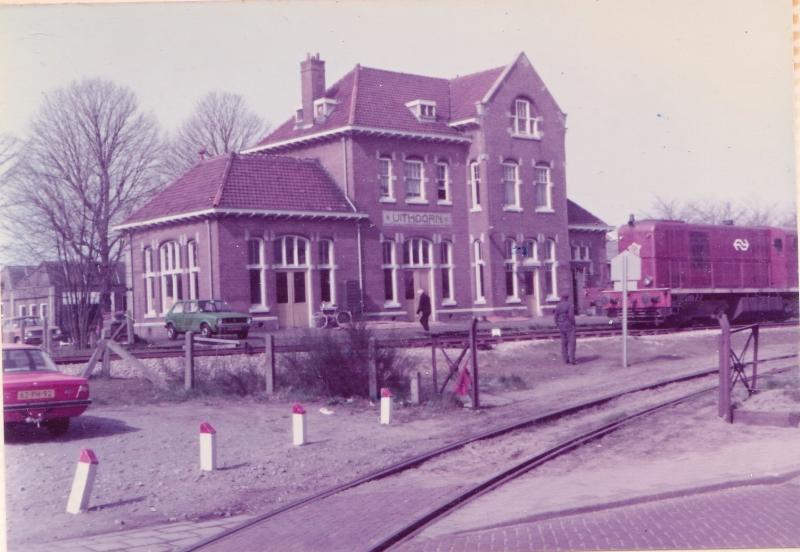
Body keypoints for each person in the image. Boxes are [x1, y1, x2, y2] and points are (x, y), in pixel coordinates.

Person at [553, 293, 577, 364]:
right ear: (567, 298)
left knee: (564, 342)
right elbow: (571, 316)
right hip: (569, 325)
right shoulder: (569, 305)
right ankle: (572, 360)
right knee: (572, 342)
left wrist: (558, 324)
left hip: (561, 325)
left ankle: (565, 359)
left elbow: (555, 317)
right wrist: (573, 324)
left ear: (561, 298)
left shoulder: (558, 305)